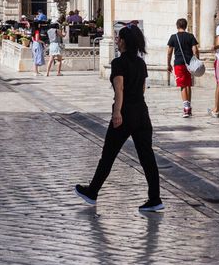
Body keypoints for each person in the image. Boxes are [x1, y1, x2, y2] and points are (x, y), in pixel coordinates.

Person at [74, 23, 163, 213]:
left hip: (125, 113)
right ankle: (155, 198)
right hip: (142, 112)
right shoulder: (141, 63)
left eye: (118, 38)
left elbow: (119, 89)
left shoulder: (119, 63)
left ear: (123, 42)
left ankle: (92, 192)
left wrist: (117, 112)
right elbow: (141, 89)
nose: (116, 41)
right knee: (147, 157)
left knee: (108, 155)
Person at [166, 18, 200, 118]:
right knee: (188, 84)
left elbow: (169, 52)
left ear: (177, 26)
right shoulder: (190, 36)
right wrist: (197, 61)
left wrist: (168, 64)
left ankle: (186, 108)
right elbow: (195, 50)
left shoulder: (173, 37)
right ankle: (189, 107)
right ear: (185, 26)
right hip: (189, 64)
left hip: (179, 64)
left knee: (182, 85)